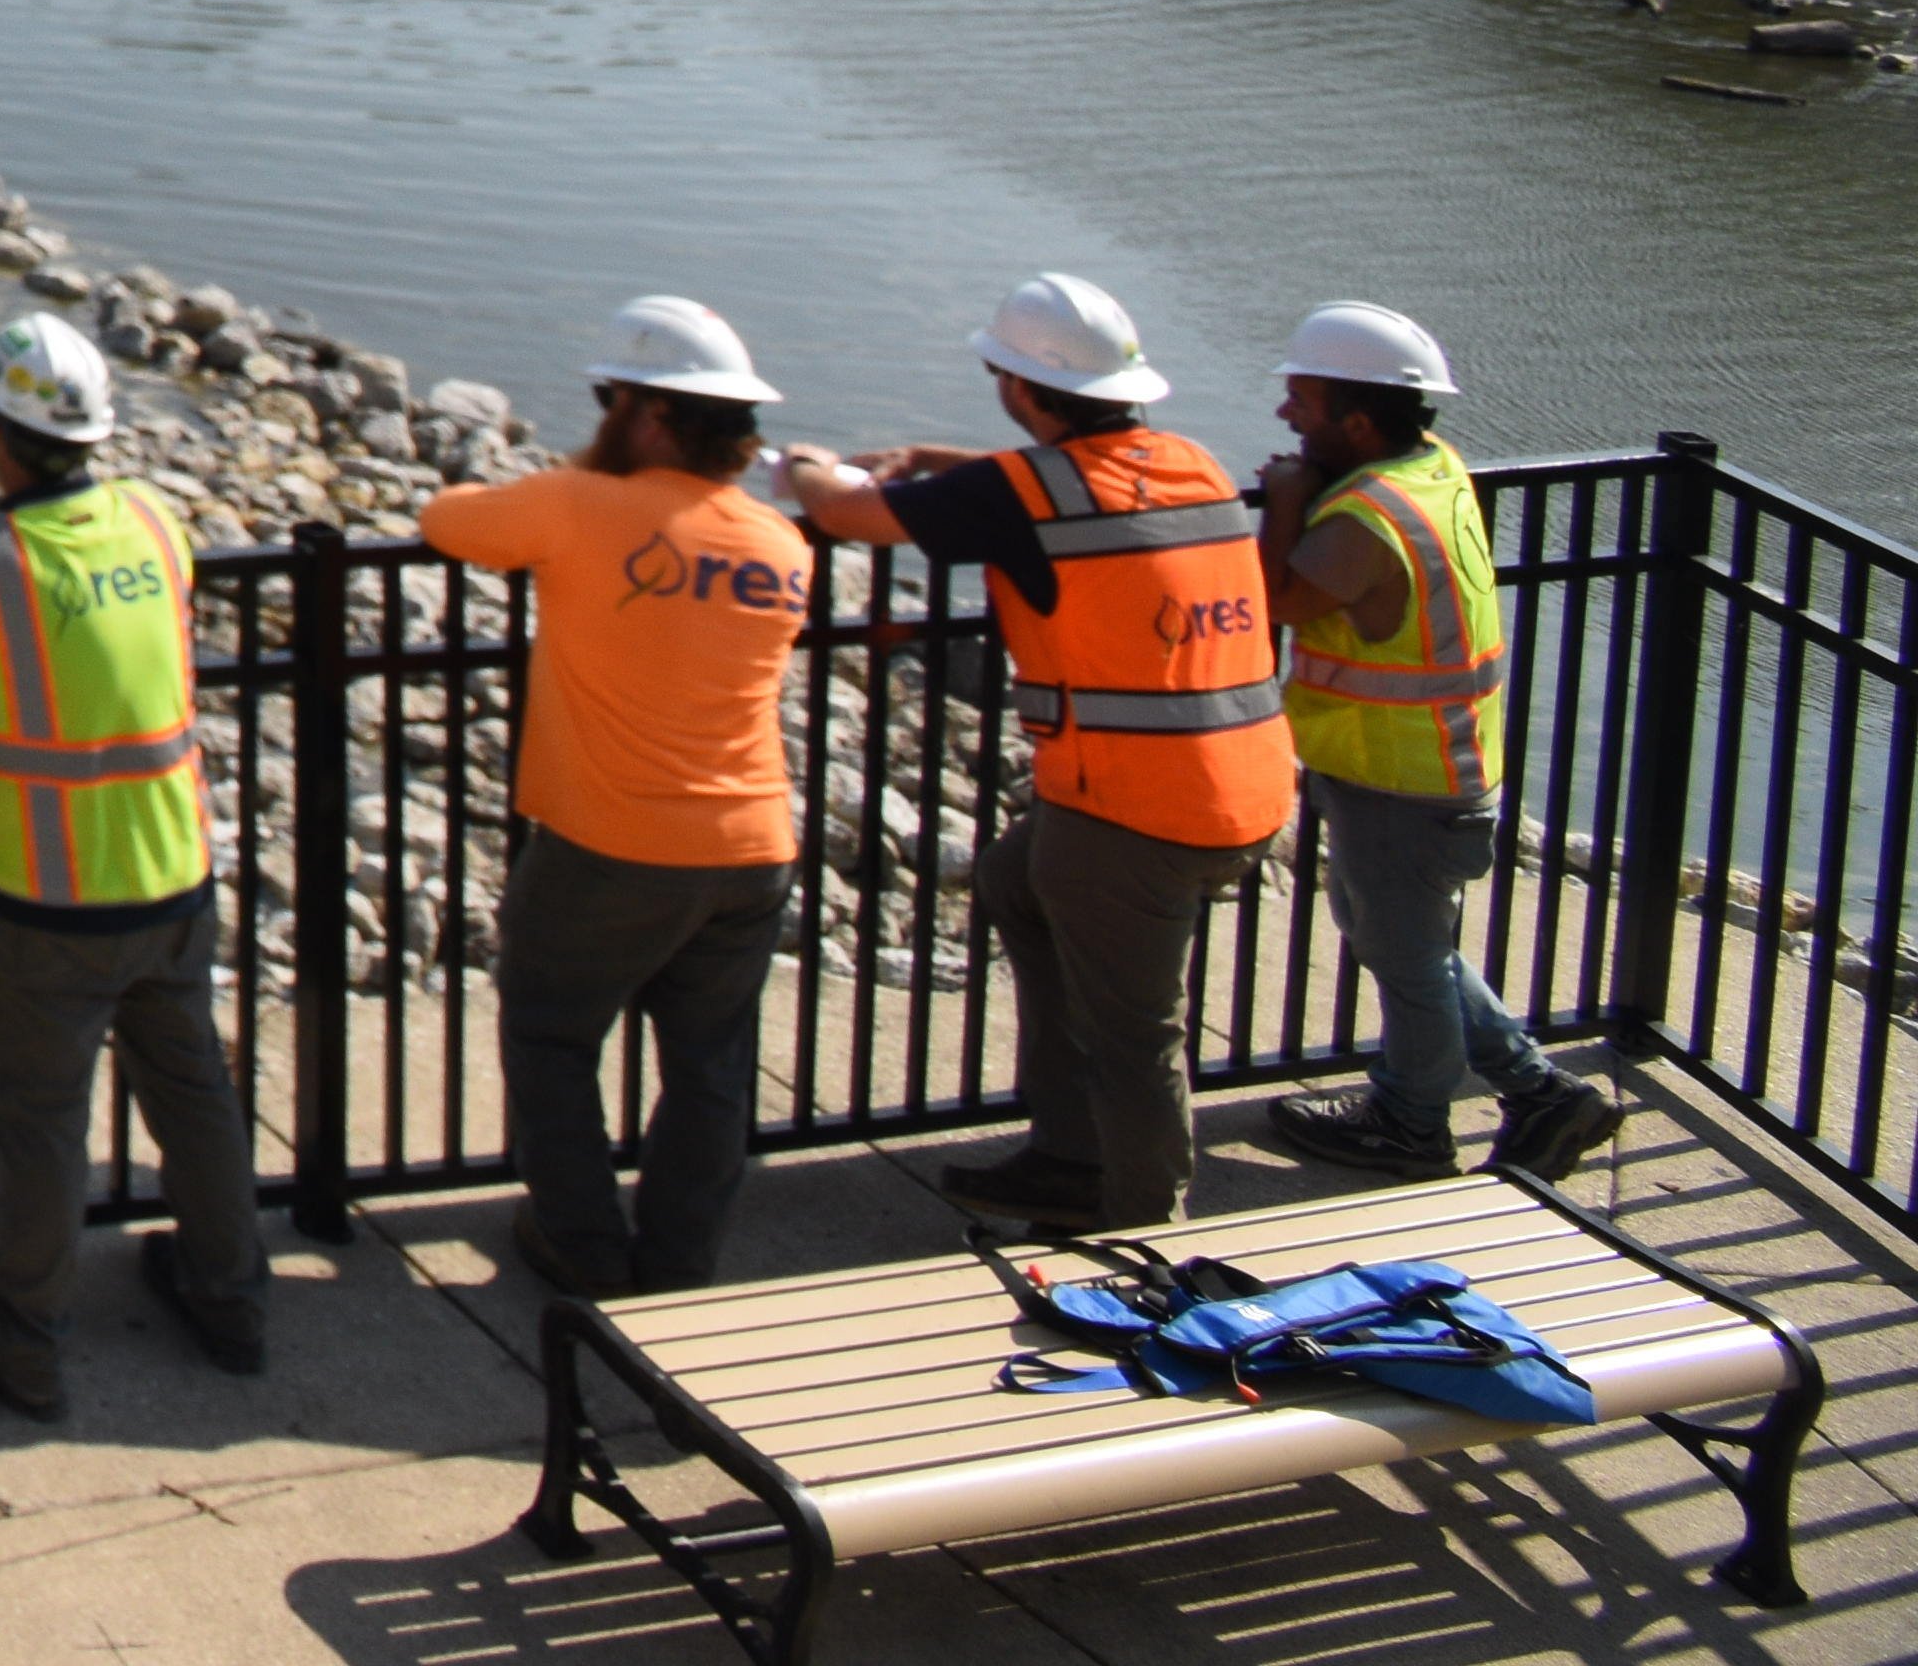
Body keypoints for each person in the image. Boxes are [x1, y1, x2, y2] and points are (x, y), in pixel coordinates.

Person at [782, 275, 1295, 1229]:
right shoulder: (1191, 461)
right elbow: (1073, 487)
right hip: (1247, 783)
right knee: (1019, 880)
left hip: (1137, 813)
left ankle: (1147, 1233)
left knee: (1138, 1034)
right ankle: (1069, 1154)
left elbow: (848, 514)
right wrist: (943, 464)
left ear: (1019, 389)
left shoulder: (1019, 493)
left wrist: (806, 466)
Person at [0, 318, 268, 1421]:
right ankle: (233, 1303)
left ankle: (20, 1348)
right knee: (196, 1097)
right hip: (175, 874)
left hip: (48, 904)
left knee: (42, 1128)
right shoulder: (155, 523)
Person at [413, 298, 812, 1301]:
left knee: (550, 1034)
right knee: (711, 1068)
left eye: (610, 397)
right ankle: (678, 1268)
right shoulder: (778, 543)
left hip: (610, 842)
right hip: (754, 843)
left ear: (648, 412)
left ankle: (583, 1246)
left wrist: (588, 477)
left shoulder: (575, 504)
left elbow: (445, 520)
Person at [1253, 303, 1623, 1183]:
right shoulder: (1432, 467)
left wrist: (1284, 501)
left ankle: (1411, 1122)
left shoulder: (1363, 517)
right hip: (1428, 767)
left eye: (1299, 401)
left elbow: (1278, 602)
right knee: (1404, 942)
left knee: (1409, 957)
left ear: (1355, 421)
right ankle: (1542, 1094)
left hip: (1402, 778)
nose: (1284, 416)